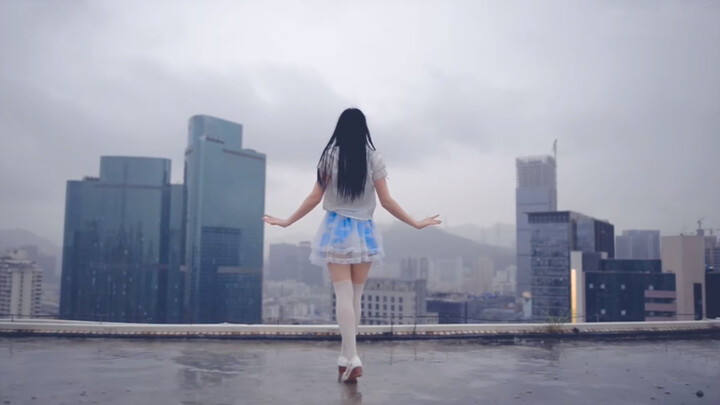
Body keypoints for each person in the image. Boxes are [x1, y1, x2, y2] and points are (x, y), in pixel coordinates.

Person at [263, 108, 441, 383]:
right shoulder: (374, 157)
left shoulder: (330, 156)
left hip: (336, 230)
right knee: (355, 298)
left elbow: (314, 197)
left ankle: (352, 356)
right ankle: (346, 357)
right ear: (363, 129)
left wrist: (287, 221)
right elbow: (387, 201)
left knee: (344, 297)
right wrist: (415, 222)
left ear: (340, 128)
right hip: (365, 232)